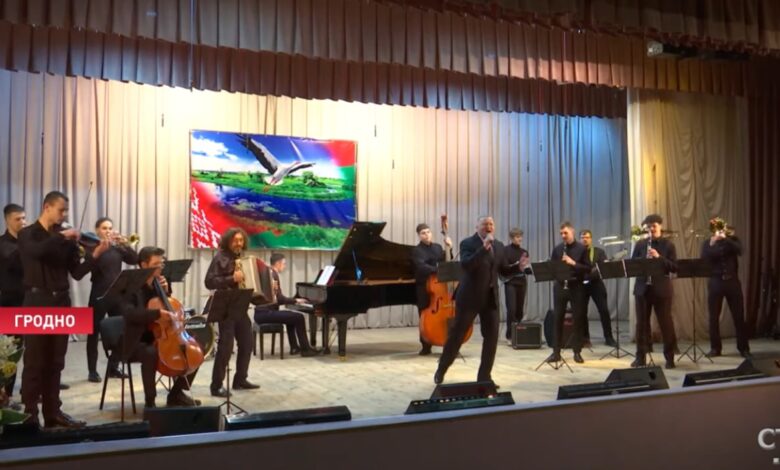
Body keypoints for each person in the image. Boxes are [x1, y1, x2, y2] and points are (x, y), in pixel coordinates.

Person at [17, 191, 110, 428]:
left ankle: (53, 412)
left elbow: (76, 273)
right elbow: (37, 252)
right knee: (34, 361)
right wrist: (63, 236)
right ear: (47, 207)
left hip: (61, 301)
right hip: (36, 302)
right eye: (61, 210)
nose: (64, 215)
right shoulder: (27, 234)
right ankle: (29, 415)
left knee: (56, 361)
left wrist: (95, 256)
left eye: (66, 211)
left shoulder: (65, 239)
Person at [109, 246, 200, 408]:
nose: (160, 268)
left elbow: (169, 307)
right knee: (150, 352)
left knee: (194, 348)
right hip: (136, 340)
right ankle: (150, 402)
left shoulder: (161, 283)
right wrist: (157, 314)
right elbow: (130, 314)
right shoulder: (130, 286)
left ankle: (176, 394)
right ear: (144, 265)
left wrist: (166, 292)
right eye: (156, 264)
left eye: (161, 264)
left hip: (161, 335)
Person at [434, 216, 504, 385]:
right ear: (477, 227)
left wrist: (519, 267)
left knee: (491, 338)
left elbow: (502, 270)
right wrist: (483, 248)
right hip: (469, 298)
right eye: (485, 224)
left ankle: (484, 377)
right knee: (457, 335)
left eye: (491, 224)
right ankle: (442, 368)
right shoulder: (468, 243)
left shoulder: (499, 245)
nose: (488, 226)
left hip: (490, 299)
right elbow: (466, 265)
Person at [204, 228, 259, 398]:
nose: (239, 243)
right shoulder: (220, 258)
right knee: (226, 347)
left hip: (240, 306)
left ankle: (240, 379)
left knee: (247, 343)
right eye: (235, 240)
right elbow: (209, 282)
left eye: (241, 240)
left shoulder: (243, 259)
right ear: (228, 241)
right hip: (226, 306)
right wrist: (231, 279)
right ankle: (216, 385)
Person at [86, 217, 139, 383]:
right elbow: (88, 264)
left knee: (123, 329)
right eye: (104, 228)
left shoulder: (118, 248)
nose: (108, 231)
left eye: (110, 228)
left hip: (117, 295)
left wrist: (125, 244)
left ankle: (113, 367)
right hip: (98, 294)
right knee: (92, 332)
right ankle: (92, 371)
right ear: (97, 230)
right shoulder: (92, 247)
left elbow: (135, 259)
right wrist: (99, 250)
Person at [631, 214, 678, 369]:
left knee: (665, 324)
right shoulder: (640, 244)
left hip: (661, 290)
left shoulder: (668, 245)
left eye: (654, 226)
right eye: (649, 227)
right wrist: (642, 261)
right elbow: (632, 265)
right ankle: (640, 358)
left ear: (660, 227)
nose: (651, 229)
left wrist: (659, 257)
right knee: (641, 325)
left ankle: (669, 358)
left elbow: (674, 267)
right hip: (642, 289)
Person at [700, 221, 750, 358]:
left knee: (739, 316)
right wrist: (712, 243)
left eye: (721, 228)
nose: (720, 231)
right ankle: (715, 348)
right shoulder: (707, 243)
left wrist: (726, 239)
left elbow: (740, 251)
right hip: (715, 282)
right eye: (717, 229)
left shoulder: (732, 240)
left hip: (732, 282)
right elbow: (704, 259)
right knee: (713, 317)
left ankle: (744, 348)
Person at [254, 253, 318, 356]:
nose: (284, 266)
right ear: (278, 263)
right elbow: (280, 299)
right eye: (284, 264)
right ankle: (306, 350)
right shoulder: (273, 275)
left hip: (260, 313)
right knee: (299, 317)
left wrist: (293, 300)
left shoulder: (268, 273)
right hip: (266, 313)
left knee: (291, 317)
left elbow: (277, 298)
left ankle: (294, 348)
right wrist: (296, 300)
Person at [545, 222, 591, 364]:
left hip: (576, 287)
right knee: (557, 319)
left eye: (565, 233)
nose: (563, 236)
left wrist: (573, 263)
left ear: (572, 232)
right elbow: (552, 268)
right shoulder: (558, 249)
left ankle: (577, 352)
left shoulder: (582, 249)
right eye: (561, 233)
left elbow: (588, 268)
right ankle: (556, 353)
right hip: (560, 287)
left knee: (578, 319)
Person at [410, 222, 452, 355]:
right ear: (419, 235)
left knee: (445, 313)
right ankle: (426, 345)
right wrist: (438, 270)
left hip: (439, 286)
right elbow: (421, 267)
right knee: (424, 315)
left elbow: (447, 261)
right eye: (423, 233)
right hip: (424, 286)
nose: (426, 235)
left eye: (428, 232)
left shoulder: (438, 247)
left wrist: (449, 248)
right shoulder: (417, 251)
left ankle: (448, 342)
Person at [0, 204, 26, 397]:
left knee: (34, 351)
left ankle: (31, 389)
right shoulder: (3, 244)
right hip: (11, 303)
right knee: (12, 352)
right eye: (18, 219)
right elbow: (15, 259)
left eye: (24, 218)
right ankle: (7, 394)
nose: (23, 222)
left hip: (30, 300)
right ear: (7, 220)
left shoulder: (27, 242)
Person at [579, 229, 617, 347]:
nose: (585, 239)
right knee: (582, 312)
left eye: (587, 237)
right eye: (582, 237)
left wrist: (590, 274)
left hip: (596, 284)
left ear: (591, 239)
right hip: (581, 285)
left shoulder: (599, 252)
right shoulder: (576, 253)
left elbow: (603, 268)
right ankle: (585, 338)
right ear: (580, 239)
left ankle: (609, 337)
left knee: (604, 310)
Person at [499, 228, 529, 341]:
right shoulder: (505, 250)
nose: (519, 239)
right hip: (510, 282)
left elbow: (525, 268)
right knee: (511, 309)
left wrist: (528, 269)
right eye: (517, 237)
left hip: (522, 282)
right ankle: (510, 335)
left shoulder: (524, 252)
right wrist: (517, 265)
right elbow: (504, 268)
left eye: (520, 236)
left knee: (519, 310)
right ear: (511, 238)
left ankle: (518, 334)